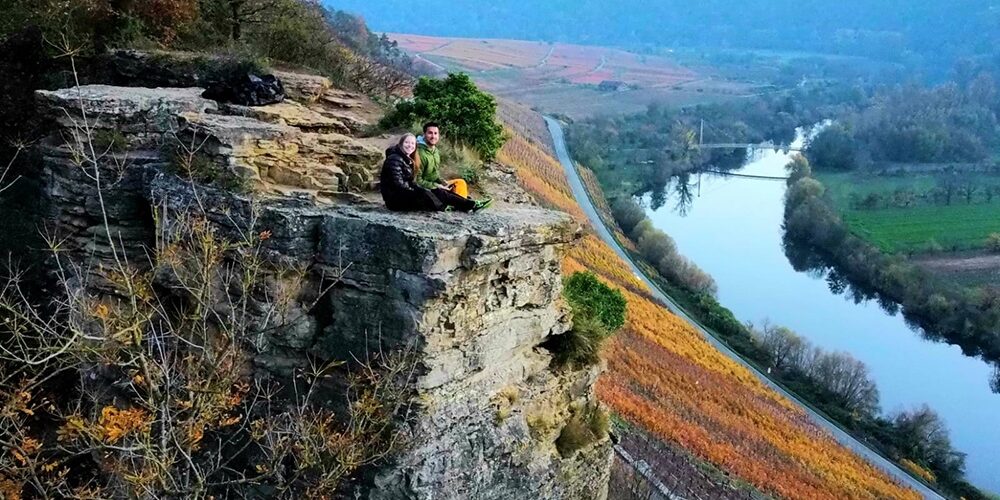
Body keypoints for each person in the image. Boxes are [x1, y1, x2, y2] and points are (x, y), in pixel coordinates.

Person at [380, 134, 492, 213]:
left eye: (412, 143)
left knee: (437, 191)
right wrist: (417, 190)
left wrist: (421, 187)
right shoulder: (394, 159)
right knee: (426, 192)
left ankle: (471, 204)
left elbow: (411, 182)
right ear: (401, 144)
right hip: (395, 200)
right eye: (407, 142)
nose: (410, 145)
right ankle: (447, 207)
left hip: (403, 196)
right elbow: (398, 184)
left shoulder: (407, 159)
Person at [416, 122, 470, 198]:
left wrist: (441, 181)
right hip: (426, 188)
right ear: (424, 134)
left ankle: (462, 201)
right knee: (454, 195)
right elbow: (417, 181)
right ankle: (462, 202)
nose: (433, 136)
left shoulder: (435, 151)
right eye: (430, 133)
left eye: (435, 133)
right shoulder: (419, 153)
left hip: (435, 183)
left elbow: (434, 174)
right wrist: (436, 185)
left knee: (460, 183)